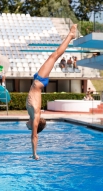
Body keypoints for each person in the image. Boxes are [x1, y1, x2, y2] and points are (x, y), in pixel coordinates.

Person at [26, 24, 77, 160]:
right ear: (35, 126)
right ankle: (70, 36)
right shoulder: (35, 118)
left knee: (53, 56)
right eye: (30, 128)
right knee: (54, 56)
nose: (29, 127)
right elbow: (34, 136)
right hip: (40, 81)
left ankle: (70, 36)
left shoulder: (31, 115)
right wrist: (34, 153)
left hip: (37, 81)